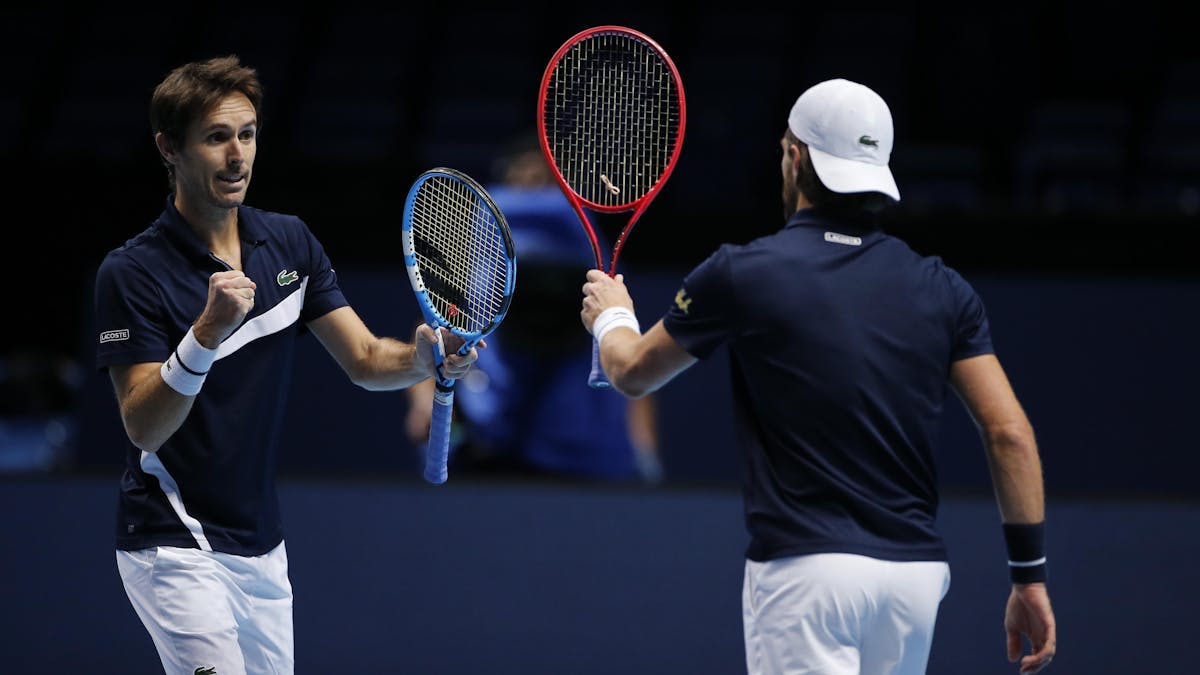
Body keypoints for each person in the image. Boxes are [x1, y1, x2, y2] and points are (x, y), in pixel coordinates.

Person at [580, 78, 1056, 674]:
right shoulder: (943, 288)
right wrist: (1028, 576)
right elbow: (1008, 432)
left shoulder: (742, 272)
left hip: (805, 575)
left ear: (795, 157)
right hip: (912, 582)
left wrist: (611, 316)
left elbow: (630, 372)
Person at [93, 55, 479, 675]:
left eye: (246, 135)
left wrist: (423, 359)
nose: (237, 156)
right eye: (216, 138)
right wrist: (205, 334)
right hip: (172, 539)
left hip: (260, 547)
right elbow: (143, 426)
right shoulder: (132, 272)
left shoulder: (289, 242)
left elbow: (364, 359)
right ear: (169, 148)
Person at [405, 135, 661, 482]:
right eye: (527, 179)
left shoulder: (583, 245)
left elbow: (629, 352)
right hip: (492, 446)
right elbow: (431, 329)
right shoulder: (480, 250)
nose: (535, 189)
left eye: (544, 180)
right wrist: (423, 401)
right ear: (509, 181)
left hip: (577, 453)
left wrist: (644, 449)